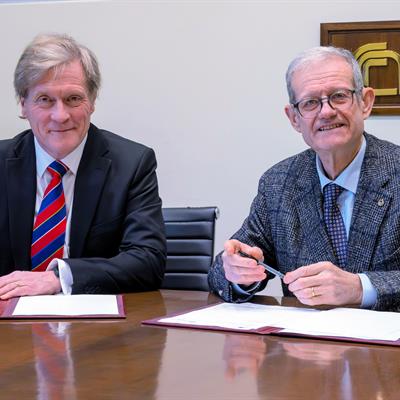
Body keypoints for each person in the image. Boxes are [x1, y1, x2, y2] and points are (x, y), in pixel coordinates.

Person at [208, 46, 400, 311]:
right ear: (294, 118)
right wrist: (237, 273)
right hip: (307, 348)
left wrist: (360, 287)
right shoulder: (278, 183)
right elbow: (222, 273)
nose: (326, 112)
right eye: (310, 102)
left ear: (365, 102)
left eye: (339, 96)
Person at [0, 33, 166, 299]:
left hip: (95, 329)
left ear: (92, 101)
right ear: (23, 105)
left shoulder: (132, 164)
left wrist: (59, 278)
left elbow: (148, 261)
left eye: (73, 99)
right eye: (45, 99)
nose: (61, 115)